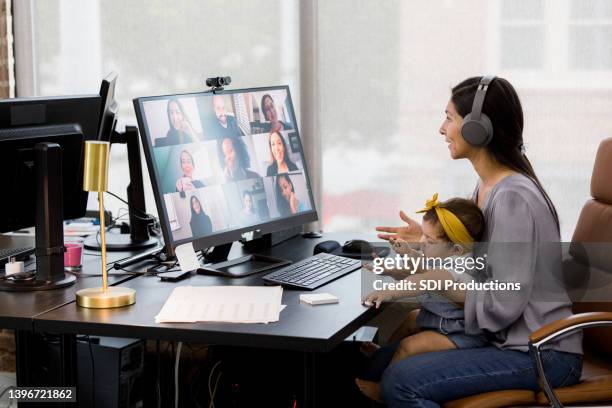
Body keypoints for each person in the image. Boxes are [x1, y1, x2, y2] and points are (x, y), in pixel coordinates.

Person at [369, 76, 582, 407]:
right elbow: (474, 266)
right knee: (373, 363)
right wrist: (430, 245)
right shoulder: (485, 190)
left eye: (450, 118)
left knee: (400, 383)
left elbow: (504, 300)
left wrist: (435, 281)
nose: (442, 129)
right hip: (507, 341)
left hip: (540, 352)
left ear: (478, 129)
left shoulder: (513, 198)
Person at [356, 194, 488, 402]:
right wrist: (388, 268)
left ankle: (383, 390)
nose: (422, 242)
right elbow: (417, 267)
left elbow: (421, 280)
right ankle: (383, 354)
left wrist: (388, 293)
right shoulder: (444, 255)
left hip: (459, 334)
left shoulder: (459, 268)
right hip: (440, 321)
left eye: (430, 240)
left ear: (456, 250)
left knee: (409, 347)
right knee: (411, 318)